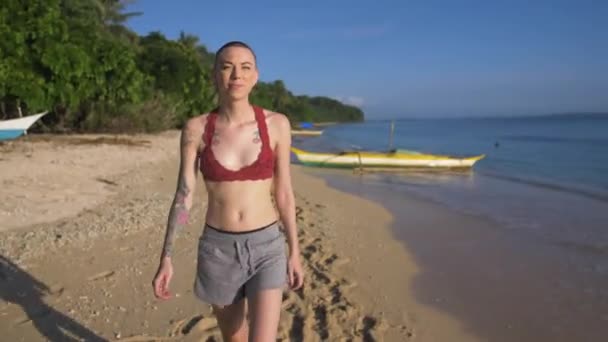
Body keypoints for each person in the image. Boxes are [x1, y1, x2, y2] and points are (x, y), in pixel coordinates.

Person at [152, 41, 304, 342]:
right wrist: (166, 256)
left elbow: (284, 191)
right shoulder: (196, 129)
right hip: (218, 250)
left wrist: (295, 251)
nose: (237, 74)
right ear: (215, 75)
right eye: (227, 66)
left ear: (256, 76)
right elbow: (184, 195)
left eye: (245, 67)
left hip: (267, 248)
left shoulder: (277, 125)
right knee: (234, 338)